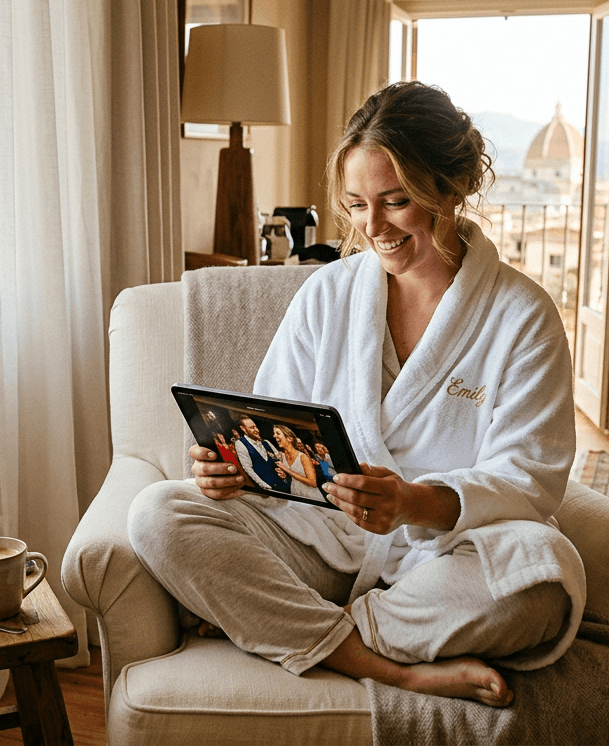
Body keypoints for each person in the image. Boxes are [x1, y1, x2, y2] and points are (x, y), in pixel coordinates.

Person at [129, 81, 582, 707]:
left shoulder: (520, 315)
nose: (373, 227)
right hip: (318, 539)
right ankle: (388, 665)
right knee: (158, 513)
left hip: (438, 556)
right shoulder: (327, 294)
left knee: (541, 584)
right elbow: (280, 424)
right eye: (356, 204)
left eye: (396, 201)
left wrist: (413, 502)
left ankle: (283, 625)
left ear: (451, 188)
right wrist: (237, 466)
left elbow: (530, 478)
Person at [232, 416, 289, 493]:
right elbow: (248, 468)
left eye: (256, 427)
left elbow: (280, 458)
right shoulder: (240, 443)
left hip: (283, 484)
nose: (257, 430)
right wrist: (264, 486)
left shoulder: (266, 442)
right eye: (252, 428)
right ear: (243, 429)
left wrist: (284, 472)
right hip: (268, 488)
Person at [273, 425, 324, 502]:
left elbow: (313, 483)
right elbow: (289, 477)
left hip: (310, 495)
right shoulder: (282, 456)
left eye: (277, 433)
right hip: (295, 492)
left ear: (289, 439)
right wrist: (284, 475)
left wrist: (286, 469)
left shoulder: (303, 457)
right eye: (274, 433)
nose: (274, 436)